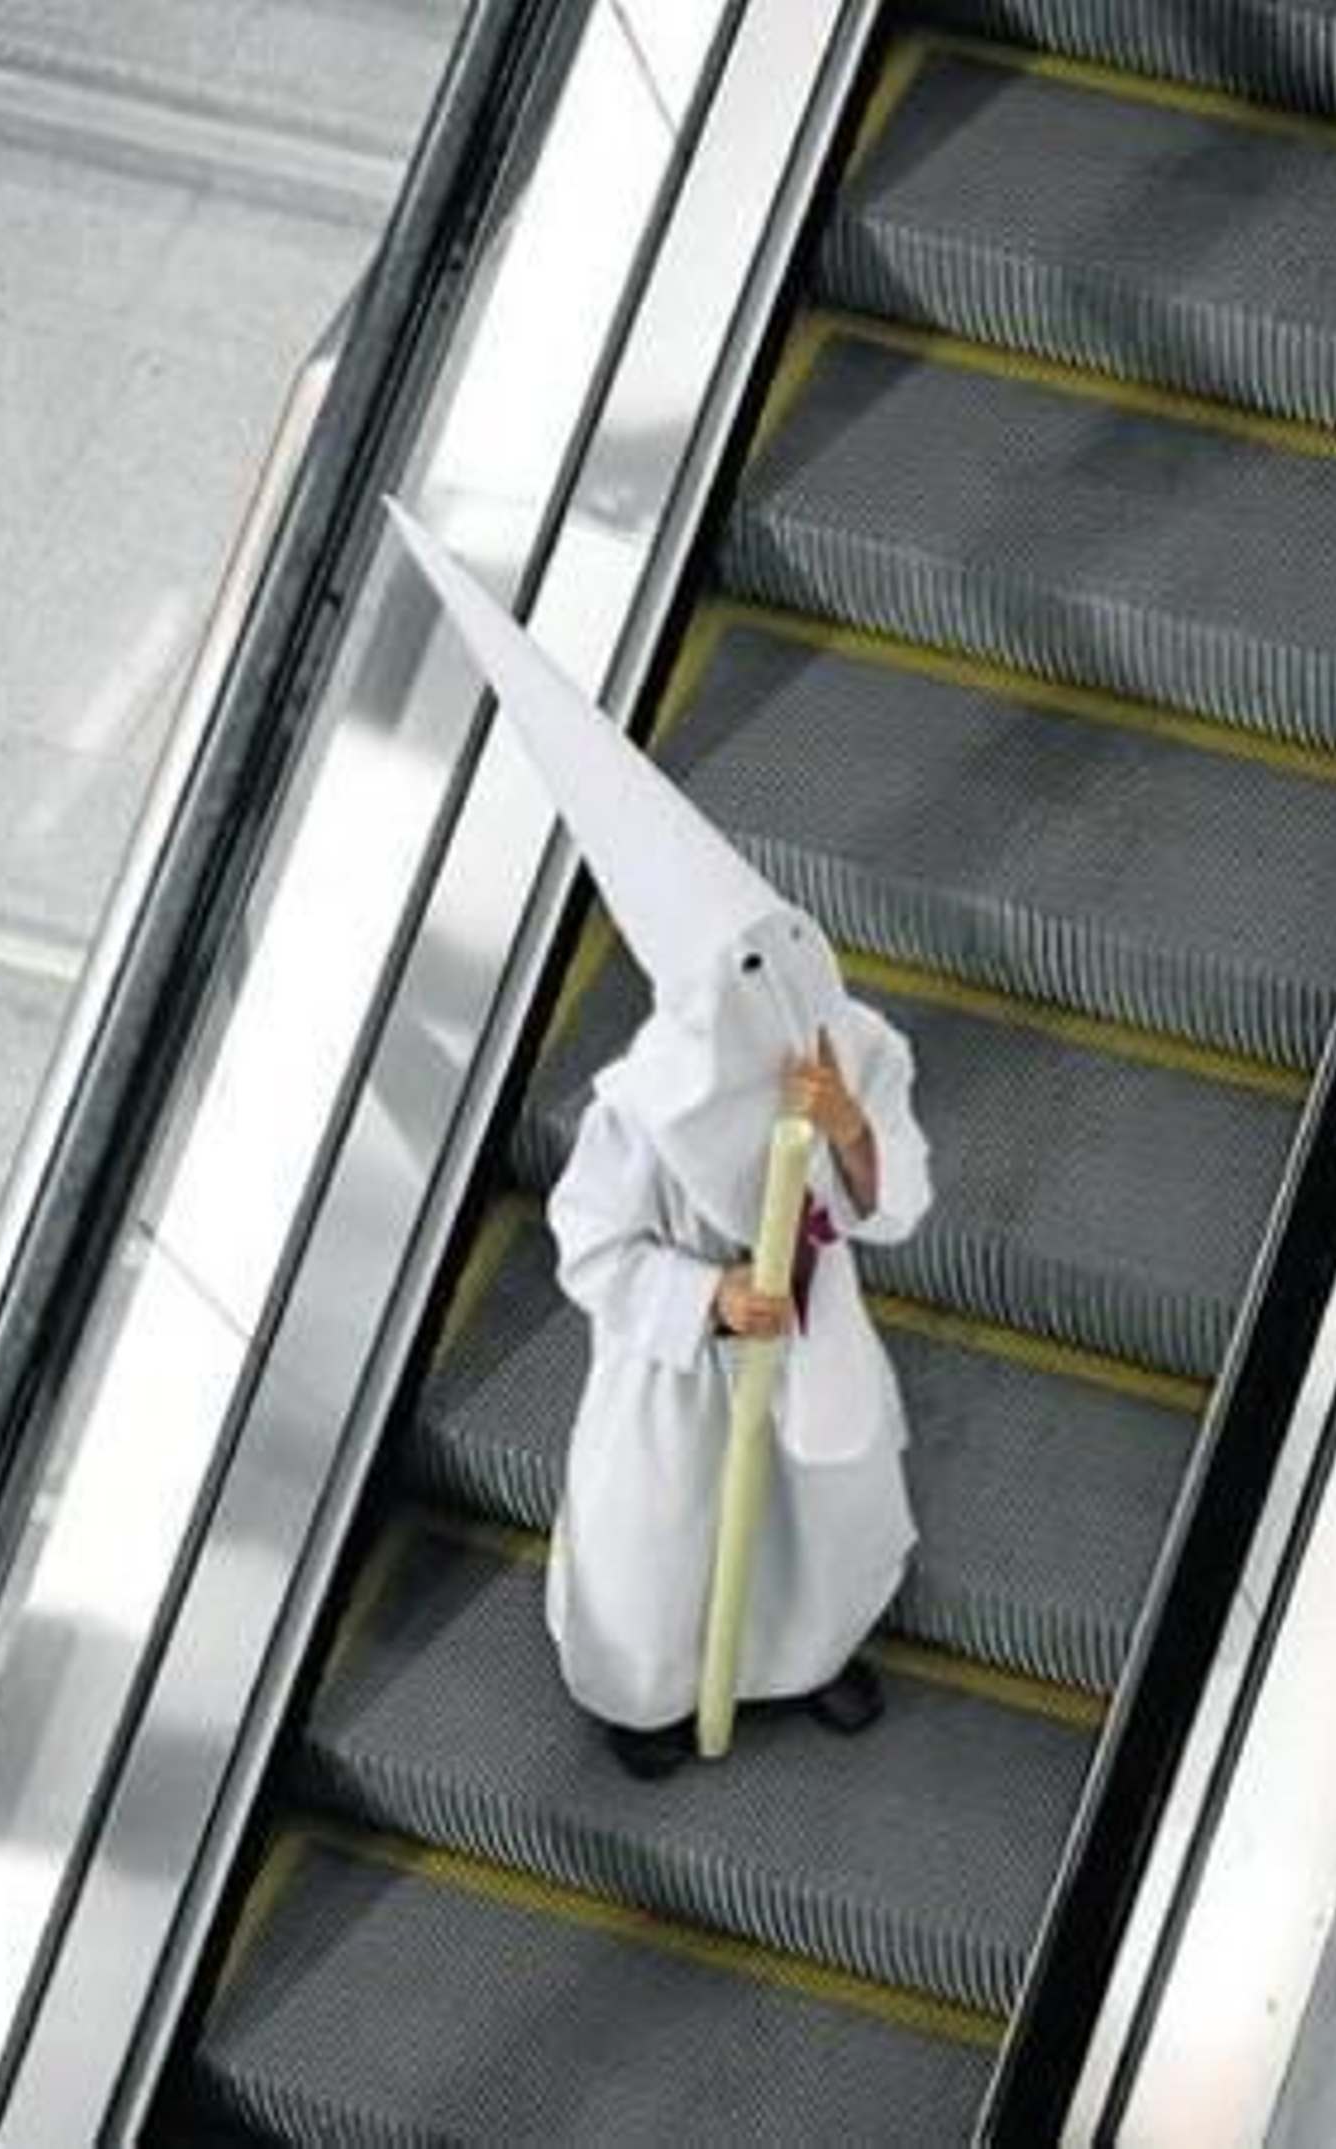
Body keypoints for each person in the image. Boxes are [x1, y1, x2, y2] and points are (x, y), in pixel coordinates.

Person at [388, 503, 932, 1779]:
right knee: (666, 1538)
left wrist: (852, 1135)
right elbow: (590, 1247)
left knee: (817, 1514)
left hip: (810, 1327)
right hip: (681, 1373)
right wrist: (708, 1301)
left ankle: (803, 1656)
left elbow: (896, 1201)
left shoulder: (851, 1050)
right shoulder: (643, 1103)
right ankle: (648, 1693)